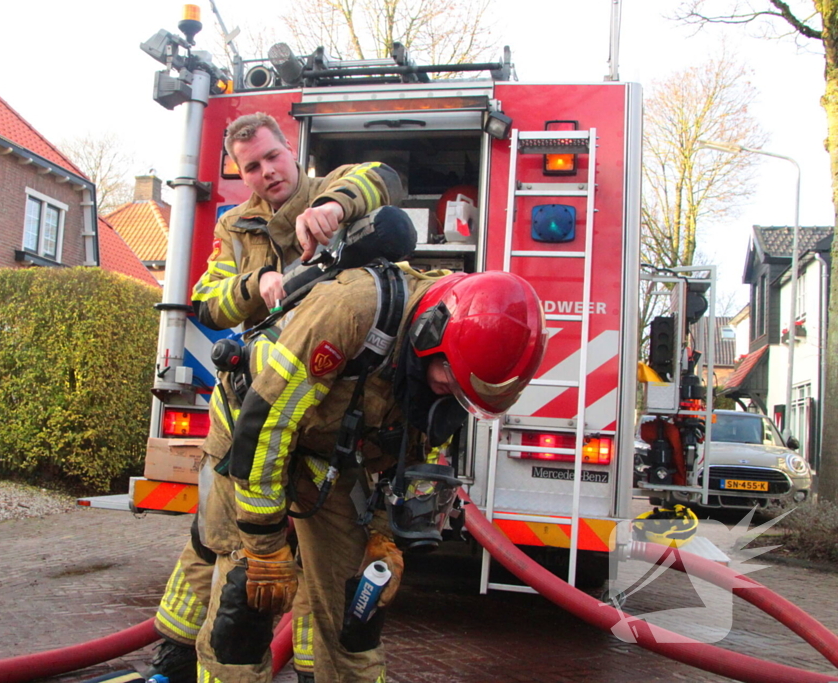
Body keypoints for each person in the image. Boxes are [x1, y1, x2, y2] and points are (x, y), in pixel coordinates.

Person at [193, 265, 548, 683]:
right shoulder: (351, 311)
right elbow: (267, 424)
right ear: (429, 339)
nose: (450, 398)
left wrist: (383, 537)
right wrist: (265, 546)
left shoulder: (446, 378)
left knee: (354, 604)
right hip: (250, 433)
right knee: (246, 596)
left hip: (327, 452)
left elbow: (415, 458)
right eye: (449, 384)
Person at [148, 112, 405, 683]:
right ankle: (173, 663)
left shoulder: (333, 192)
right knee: (220, 551)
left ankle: (315, 672)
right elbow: (207, 303)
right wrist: (254, 288)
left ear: (292, 152)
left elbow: (386, 177)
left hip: (323, 428)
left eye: (273, 158)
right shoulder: (236, 228)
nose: (267, 173)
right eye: (252, 167)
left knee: (324, 573)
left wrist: (336, 208)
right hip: (241, 419)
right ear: (242, 175)